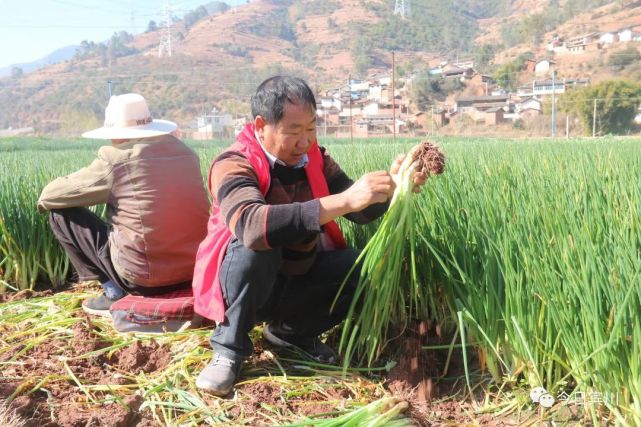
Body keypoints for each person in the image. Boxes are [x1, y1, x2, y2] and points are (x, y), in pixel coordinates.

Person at [192, 76, 427, 396]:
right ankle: (228, 350)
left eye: (311, 129)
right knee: (257, 248)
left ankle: (290, 335)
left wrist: (393, 188)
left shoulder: (315, 160)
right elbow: (251, 225)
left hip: (298, 277)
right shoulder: (234, 162)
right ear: (261, 126)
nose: (304, 141)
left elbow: (358, 211)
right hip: (249, 287)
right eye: (293, 131)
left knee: (361, 265)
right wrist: (344, 200)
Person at [37, 93, 210, 317]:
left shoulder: (116, 158)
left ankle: (113, 290)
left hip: (144, 279)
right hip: (193, 270)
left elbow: (49, 196)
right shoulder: (187, 153)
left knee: (60, 214)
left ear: (116, 135)